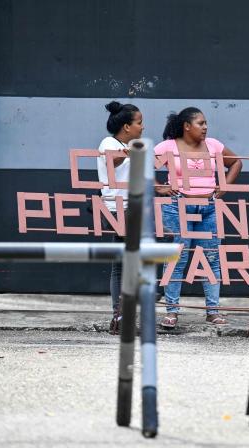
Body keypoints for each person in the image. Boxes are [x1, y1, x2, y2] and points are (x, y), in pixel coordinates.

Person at [155, 107, 242, 329]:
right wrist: (159, 188)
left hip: (209, 207)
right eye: (200, 123)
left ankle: (212, 311)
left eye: (206, 124)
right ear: (186, 126)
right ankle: (172, 311)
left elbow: (236, 163)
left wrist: (224, 186)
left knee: (211, 257)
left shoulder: (213, 145)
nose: (205, 127)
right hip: (178, 206)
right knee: (178, 257)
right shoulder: (168, 147)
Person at [96, 101, 144, 334]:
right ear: (126, 126)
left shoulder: (128, 146)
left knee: (122, 264)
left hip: (130, 208)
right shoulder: (109, 143)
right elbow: (111, 160)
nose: (142, 127)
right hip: (118, 209)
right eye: (139, 123)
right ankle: (122, 316)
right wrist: (129, 151)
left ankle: (120, 316)